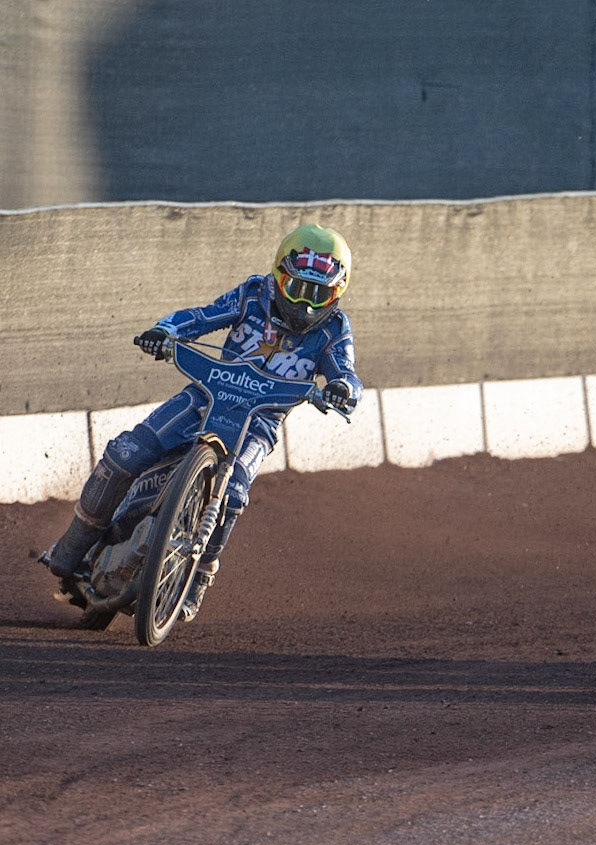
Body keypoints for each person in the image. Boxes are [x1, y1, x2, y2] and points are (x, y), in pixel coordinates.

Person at [41, 224, 363, 621]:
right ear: (279, 276)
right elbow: (202, 317)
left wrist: (343, 389)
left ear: (338, 292)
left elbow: (347, 373)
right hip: (203, 398)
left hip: (257, 424)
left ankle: (197, 581)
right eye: (297, 288)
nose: (306, 305)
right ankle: (70, 550)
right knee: (123, 455)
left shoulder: (334, 329)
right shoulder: (252, 294)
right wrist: (165, 331)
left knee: (233, 496)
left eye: (320, 294)